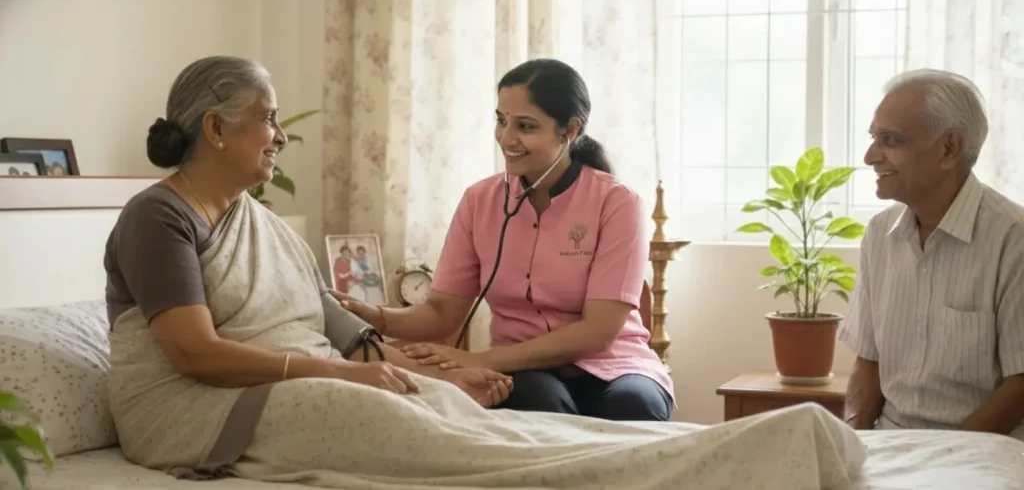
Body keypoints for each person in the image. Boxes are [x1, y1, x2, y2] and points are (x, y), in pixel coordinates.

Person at [100, 54, 867, 490]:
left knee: (477, 419)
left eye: (524, 125)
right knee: (480, 440)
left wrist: (430, 368)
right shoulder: (156, 217)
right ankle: (738, 461)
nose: (280, 137)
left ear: (570, 131)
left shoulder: (262, 223)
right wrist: (392, 360)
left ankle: (747, 452)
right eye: (270, 118)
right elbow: (195, 354)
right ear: (215, 127)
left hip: (589, 359)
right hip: (201, 411)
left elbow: (345, 331)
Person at [337, 58, 675, 422]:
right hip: (526, 369)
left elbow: (598, 332)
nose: (506, 138)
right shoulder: (478, 201)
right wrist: (380, 318)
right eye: (501, 121)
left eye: (525, 126)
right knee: (539, 405)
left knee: (633, 406)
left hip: (616, 365)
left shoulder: (617, 202)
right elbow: (441, 313)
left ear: (570, 130)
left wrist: (480, 359)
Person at [839, 68, 1024, 440]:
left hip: (982, 454)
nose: (870, 156)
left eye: (890, 140)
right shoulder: (879, 234)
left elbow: (1020, 386)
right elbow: (868, 362)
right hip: (891, 446)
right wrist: (851, 446)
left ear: (949, 148)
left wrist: (940, 460)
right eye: (874, 137)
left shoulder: (1013, 238)